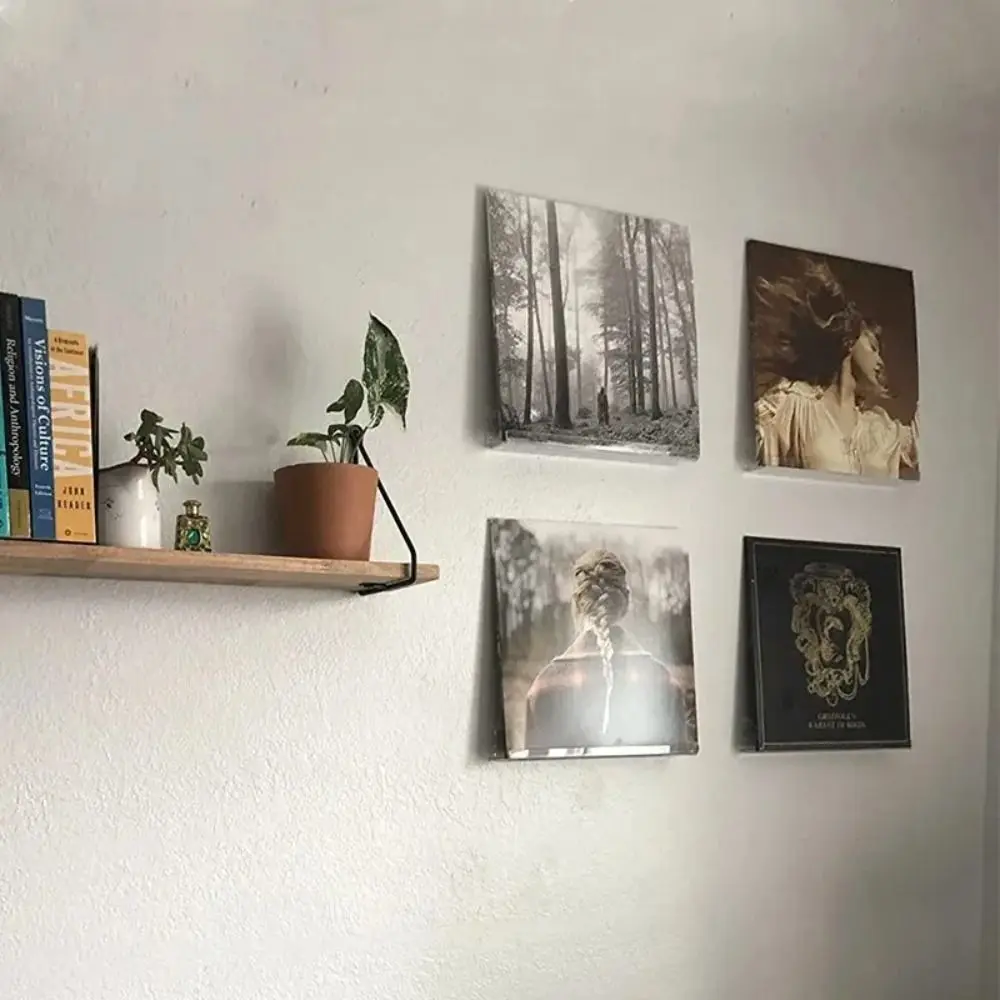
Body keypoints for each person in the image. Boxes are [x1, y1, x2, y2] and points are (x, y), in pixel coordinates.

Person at [753, 256, 918, 478]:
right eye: (873, 347)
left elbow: (925, 441)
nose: (880, 361)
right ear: (850, 340)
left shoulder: (881, 430)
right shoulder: (793, 406)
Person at [522, 548, 694, 754]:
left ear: (576, 603)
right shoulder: (664, 682)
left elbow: (534, 769)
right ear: (626, 601)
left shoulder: (543, 686)